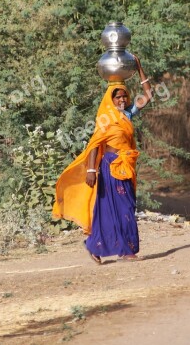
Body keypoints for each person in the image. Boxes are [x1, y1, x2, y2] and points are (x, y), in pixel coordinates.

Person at [52, 56, 152, 263]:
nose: (122, 100)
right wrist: (90, 171)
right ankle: (126, 251)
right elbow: (94, 146)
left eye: (124, 97)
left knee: (127, 206)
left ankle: (93, 245)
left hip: (125, 166)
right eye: (118, 98)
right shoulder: (105, 119)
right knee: (111, 209)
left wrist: (139, 66)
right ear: (111, 99)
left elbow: (148, 95)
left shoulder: (128, 115)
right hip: (108, 167)